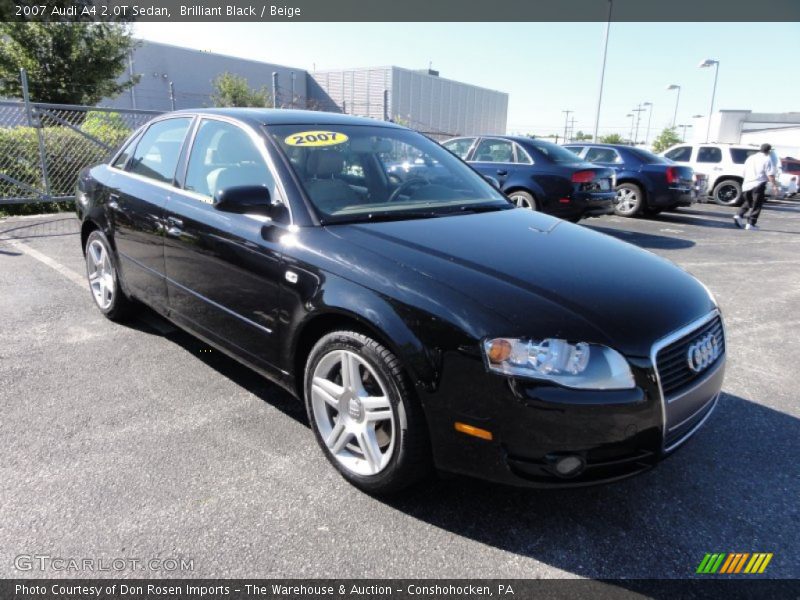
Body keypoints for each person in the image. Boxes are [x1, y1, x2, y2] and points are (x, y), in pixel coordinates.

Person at [734, 143, 779, 231]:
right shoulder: (767, 159)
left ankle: (739, 215)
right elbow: (770, 174)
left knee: (749, 201)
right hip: (759, 183)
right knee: (757, 204)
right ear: (769, 151)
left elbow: (743, 171)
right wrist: (774, 186)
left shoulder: (751, 158)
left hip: (747, 183)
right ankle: (751, 224)